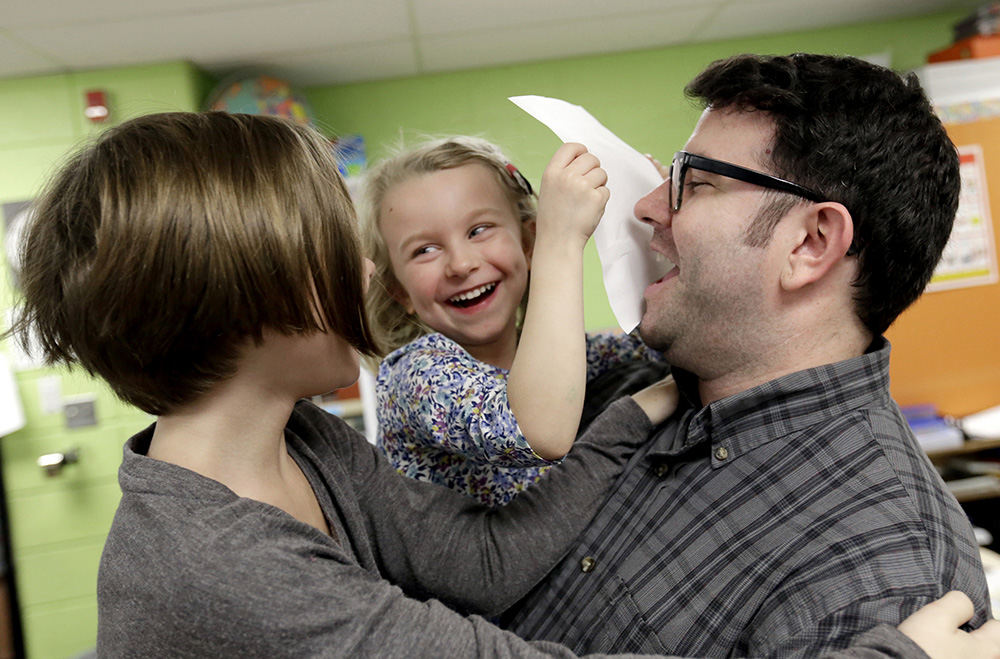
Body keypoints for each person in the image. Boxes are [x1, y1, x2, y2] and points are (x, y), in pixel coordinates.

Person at [9, 110, 995, 659]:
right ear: (245, 298)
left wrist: (650, 389)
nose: (369, 277)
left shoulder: (301, 440)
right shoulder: (212, 568)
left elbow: (471, 564)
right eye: (337, 250)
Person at [501, 52, 996, 657]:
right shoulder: (649, 394)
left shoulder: (894, 584)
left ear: (810, 244)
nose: (648, 207)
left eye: (696, 183)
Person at [361, 136, 666, 506]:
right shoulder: (414, 375)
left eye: (479, 230)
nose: (461, 264)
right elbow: (532, 429)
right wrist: (561, 239)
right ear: (399, 291)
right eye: (425, 250)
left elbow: (665, 345)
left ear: (526, 242)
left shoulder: (575, 357)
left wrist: (664, 215)